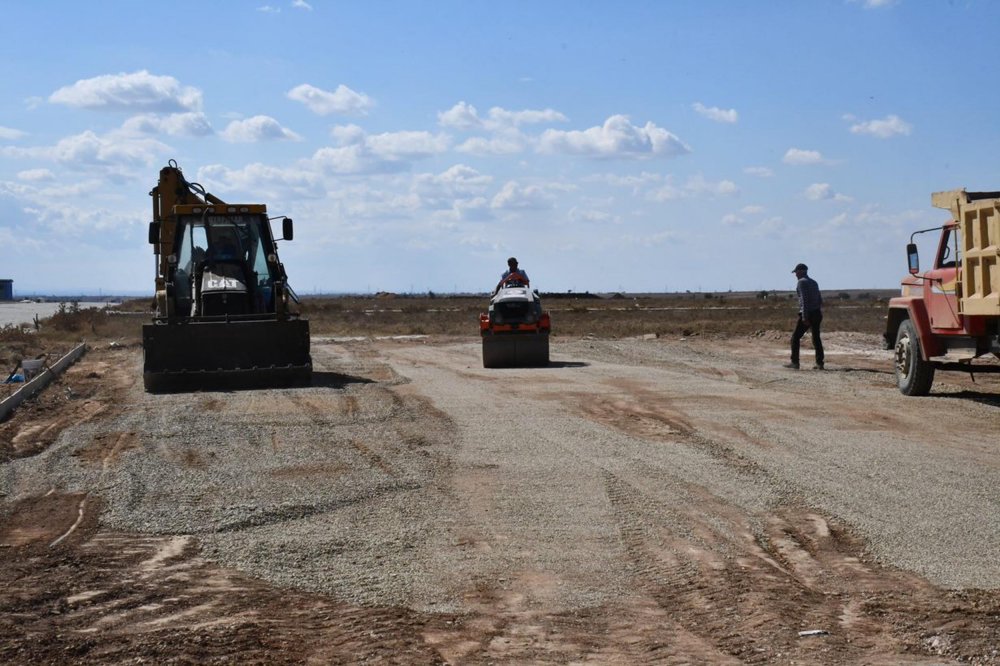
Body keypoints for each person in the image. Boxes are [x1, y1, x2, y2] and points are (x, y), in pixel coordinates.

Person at [786, 263, 824, 370]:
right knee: (816, 338)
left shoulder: (801, 282)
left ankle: (795, 363)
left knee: (795, 337)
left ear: (800, 271)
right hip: (817, 313)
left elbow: (804, 300)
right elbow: (819, 299)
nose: (795, 275)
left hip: (808, 313)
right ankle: (820, 363)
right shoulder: (814, 282)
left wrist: (804, 317)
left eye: (796, 272)